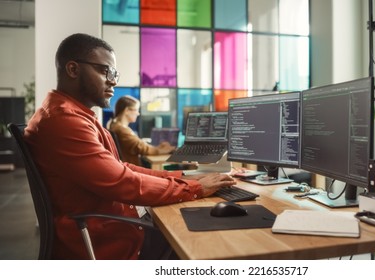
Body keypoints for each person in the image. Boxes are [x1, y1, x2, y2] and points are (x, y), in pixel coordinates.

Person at [24, 33, 236, 260]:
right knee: (207, 241)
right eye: (106, 71)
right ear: (73, 70)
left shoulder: (76, 114)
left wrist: (187, 176)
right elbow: (123, 182)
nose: (114, 80)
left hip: (111, 226)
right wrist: (195, 189)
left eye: (115, 73)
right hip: (109, 242)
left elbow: (121, 168)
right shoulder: (64, 120)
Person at [107, 95, 175, 166]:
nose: (138, 113)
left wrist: (158, 147)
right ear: (127, 110)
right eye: (136, 110)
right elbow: (142, 148)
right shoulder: (121, 129)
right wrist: (166, 150)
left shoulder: (115, 125)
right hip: (132, 169)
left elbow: (137, 144)